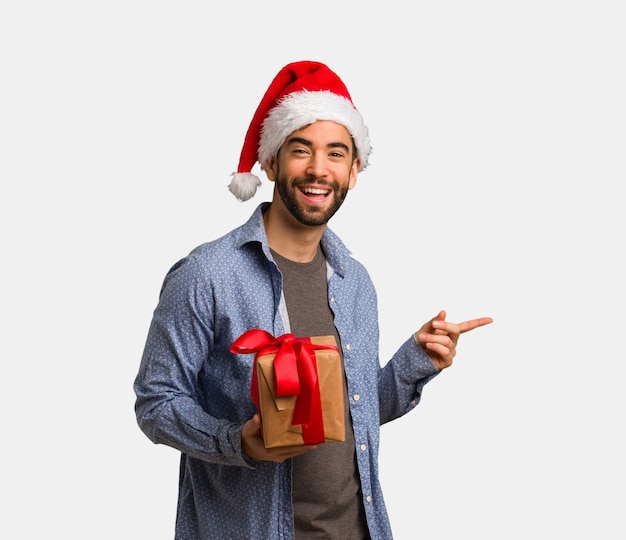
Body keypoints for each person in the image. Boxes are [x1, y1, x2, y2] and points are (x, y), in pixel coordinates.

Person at [134, 60, 493, 539]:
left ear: (354, 169)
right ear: (271, 162)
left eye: (336, 154)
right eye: (301, 150)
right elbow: (156, 404)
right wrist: (236, 441)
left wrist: (415, 362)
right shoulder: (207, 274)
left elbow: (353, 414)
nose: (318, 169)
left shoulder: (355, 282)